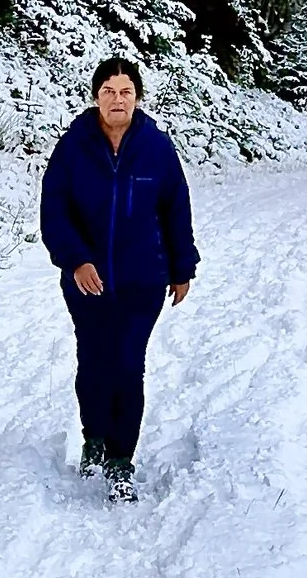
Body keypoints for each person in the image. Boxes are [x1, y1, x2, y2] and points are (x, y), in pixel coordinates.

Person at [38, 55, 197, 495]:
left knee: (128, 365)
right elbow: (54, 210)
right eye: (109, 91)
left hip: (142, 280)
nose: (117, 99)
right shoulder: (73, 147)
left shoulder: (157, 148)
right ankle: (94, 437)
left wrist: (182, 267)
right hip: (86, 281)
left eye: (126, 91)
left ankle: (121, 459)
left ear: (138, 98)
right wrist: (76, 260)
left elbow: (176, 209)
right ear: (96, 97)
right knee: (93, 362)